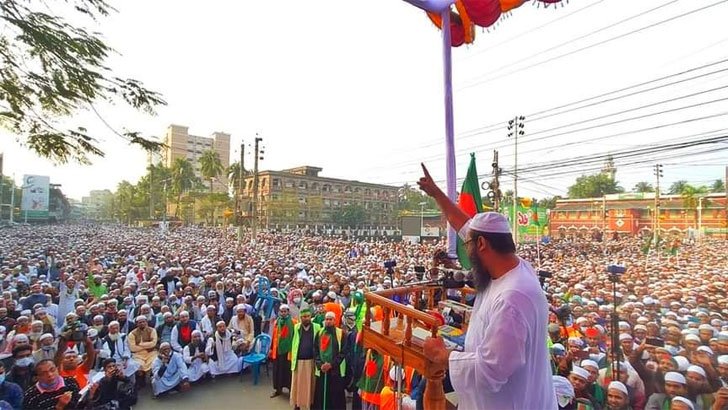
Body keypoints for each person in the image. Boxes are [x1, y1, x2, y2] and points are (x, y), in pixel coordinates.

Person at [417, 163, 557, 410]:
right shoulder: (517, 268)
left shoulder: (512, 297)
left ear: (481, 244)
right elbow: (463, 226)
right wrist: (437, 193)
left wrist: (442, 355)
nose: (466, 251)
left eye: (468, 245)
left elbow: (490, 371)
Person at [312, 312, 347, 410]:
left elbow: (343, 352)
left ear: (335, 321)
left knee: (336, 396)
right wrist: (320, 364)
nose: (328, 321)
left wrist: (331, 365)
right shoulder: (319, 333)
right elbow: (315, 350)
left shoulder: (341, 333)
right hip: (322, 370)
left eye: (330, 319)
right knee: (322, 395)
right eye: (326, 319)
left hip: (336, 370)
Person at [290, 308, 319, 410]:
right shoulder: (296, 327)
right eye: (303, 317)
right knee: (298, 385)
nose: (306, 319)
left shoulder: (317, 327)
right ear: (300, 318)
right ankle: (298, 404)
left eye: (307, 316)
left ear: (310, 317)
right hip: (298, 361)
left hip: (311, 361)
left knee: (310, 385)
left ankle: (310, 404)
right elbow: (293, 342)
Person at [270, 304, 295, 398]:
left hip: (289, 351)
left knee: (288, 371)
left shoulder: (293, 322)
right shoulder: (277, 322)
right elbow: (274, 335)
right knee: (277, 370)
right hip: (278, 350)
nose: (283, 313)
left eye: (285, 311)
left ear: (288, 312)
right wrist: (272, 348)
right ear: (279, 312)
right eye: (282, 311)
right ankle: (278, 390)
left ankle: (291, 391)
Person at [128, 316, 158, 388]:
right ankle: (140, 381)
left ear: (146, 322)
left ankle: (154, 379)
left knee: (155, 362)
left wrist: (140, 345)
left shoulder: (152, 330)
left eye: (143, 321)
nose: (142, 323)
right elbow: (132, 348)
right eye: (140, 322)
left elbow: (153, 343)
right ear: (137, 324)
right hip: (138, 355)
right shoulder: (132, 334)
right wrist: (148, 345)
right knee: (138, 365)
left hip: (151, 353)